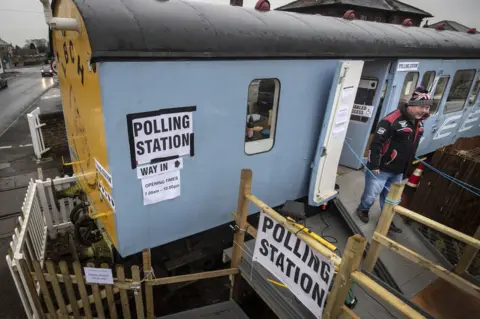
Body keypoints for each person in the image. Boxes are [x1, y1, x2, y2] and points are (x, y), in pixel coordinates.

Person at [356, 87, 432, 233]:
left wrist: (407, 170)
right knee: (371, 195)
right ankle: (363, 210)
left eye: (427, 107)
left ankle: (385, 220)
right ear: (411, 104)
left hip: (399, 171)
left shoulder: (419, 122)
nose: (424, 110)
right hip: (381, 168)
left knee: (391, 199)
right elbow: (376, 143)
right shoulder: (391, 120)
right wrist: (373, 165)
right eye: (422, 106)